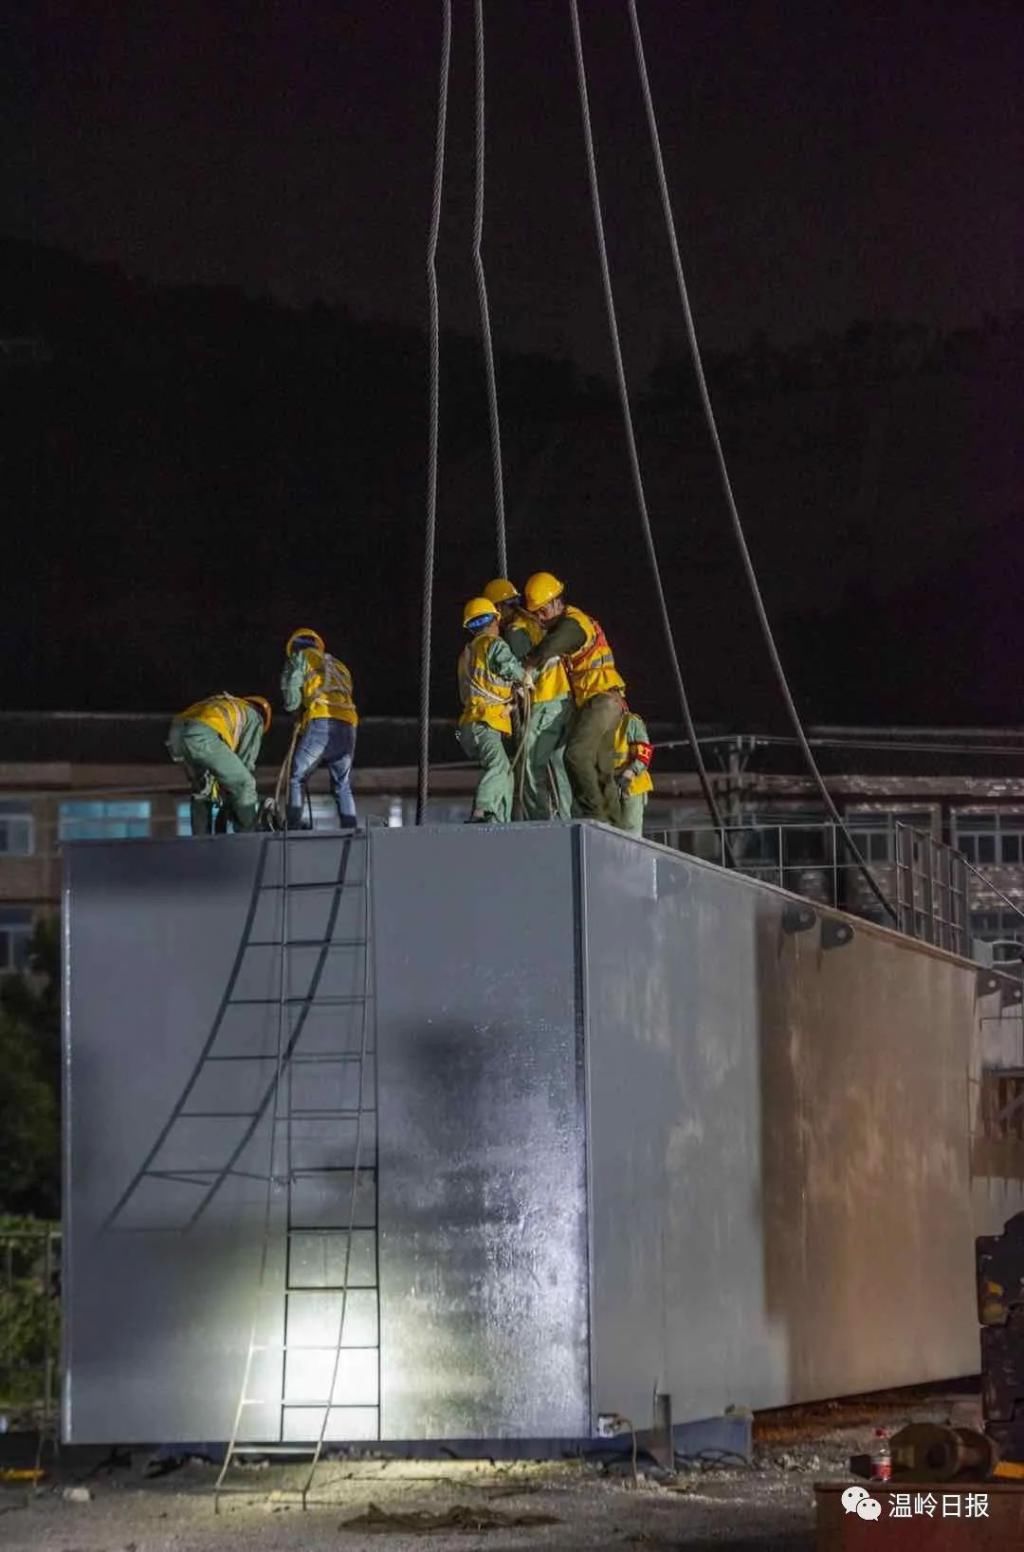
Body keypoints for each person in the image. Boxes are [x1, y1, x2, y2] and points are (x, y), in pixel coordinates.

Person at [521, 572, 625, 825]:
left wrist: (526, 667)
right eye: (535, 614)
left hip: (600, 700)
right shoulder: (572, 621)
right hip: (606, 701)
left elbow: (549, 647)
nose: (539, 618)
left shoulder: (573, 624)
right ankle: (616, 827)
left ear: (556, 602)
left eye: (541, 612)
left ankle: (594, 819)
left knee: (575, 755)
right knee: (601, 769)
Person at [482, 578, 572, 822]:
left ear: (499, 610)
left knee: (530, 765)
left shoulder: (514, 632)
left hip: (544, 700)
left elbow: (523, 671)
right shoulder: (533, 622)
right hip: (563, 698)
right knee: (557, 762)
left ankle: (540, 821)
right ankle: (568, 818)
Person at [456, 596, 530, 824]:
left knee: (504, 773)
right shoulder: (493, 644)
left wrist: (508, 702)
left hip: (469, 726)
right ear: (493, 622)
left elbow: (475, 690)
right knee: (499, 766)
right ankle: (483, 810)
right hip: (484, 723)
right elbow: (506, 664)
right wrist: (523, 677)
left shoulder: (468, 653)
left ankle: (498, 818)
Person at [280, 628, 359, 830]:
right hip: (349, 723)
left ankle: (294, 826)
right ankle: (350, 830)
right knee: (342, 784)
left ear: (294, 648)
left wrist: (297, 711)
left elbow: (291, 699)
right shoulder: (338, 665)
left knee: (297, 776)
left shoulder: (300, 658)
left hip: (321, 720)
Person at [167, 692, 272, 835]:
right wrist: (237, 802)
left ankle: (201, 842)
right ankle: (249, 837)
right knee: (244, 783)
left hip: (176, 735)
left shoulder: (227, 705)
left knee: (203, 791)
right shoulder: (255, 715)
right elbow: (245, 762)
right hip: (202, 734)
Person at [612, 704, 654, 837]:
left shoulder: (631, 722)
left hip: (632, 786)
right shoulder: (600, 725)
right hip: (611, 784)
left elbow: (644, 754)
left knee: (630, 833)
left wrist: (630, 772)